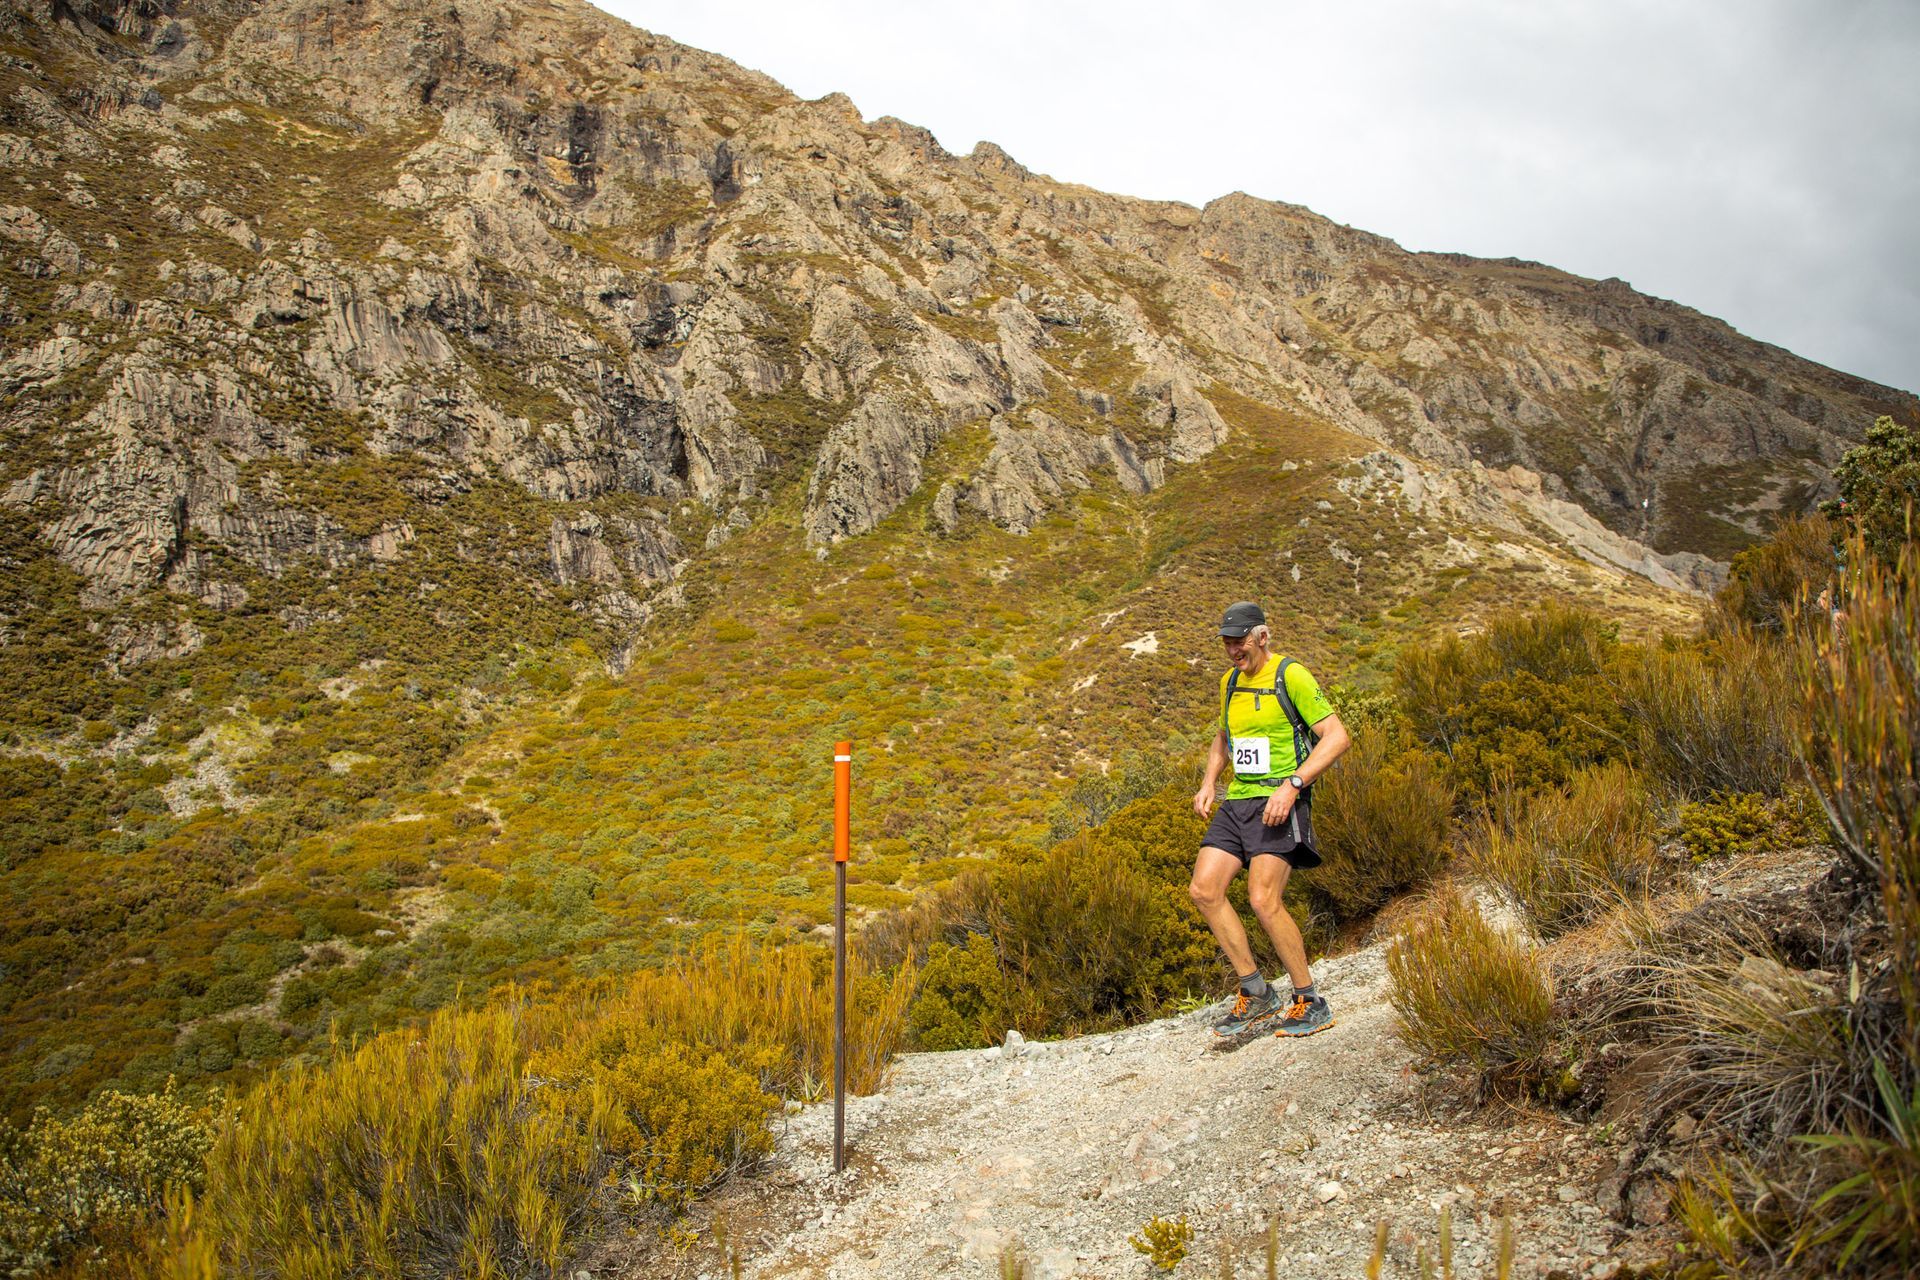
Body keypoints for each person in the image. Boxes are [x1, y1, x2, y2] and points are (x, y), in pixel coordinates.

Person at [1190, 601, 1351, 1040]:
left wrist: (1293, 784)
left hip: (1280, 800)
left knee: (1263, 899)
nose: (1233, 650)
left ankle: (1309, 999)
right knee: (1204, 890)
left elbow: (1336, 737)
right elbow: (1224, 738)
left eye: (1239, 641)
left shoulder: (1290, 675)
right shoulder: (1229, 682)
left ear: (1262, 636)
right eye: (1226, 642)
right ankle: (1256, 991)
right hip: (1239, 800)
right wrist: (1209, 783)